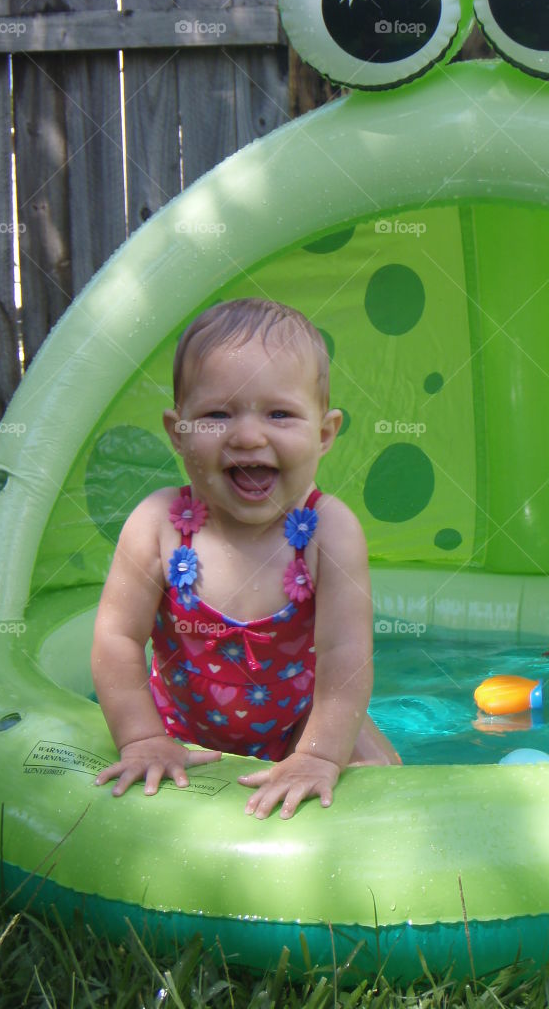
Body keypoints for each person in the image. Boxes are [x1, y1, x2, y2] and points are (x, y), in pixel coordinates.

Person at [91, 298, 400, 819]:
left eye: (279, 413)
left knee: (384, 785)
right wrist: (141, 738)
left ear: (324, 434)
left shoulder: (330, 531)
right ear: (178, 430)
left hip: (305, 722)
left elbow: (346, 655)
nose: (248, 436)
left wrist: (319, 754)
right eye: (217, 414)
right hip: (180, 726)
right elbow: (116, 638)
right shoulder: (158, 524)